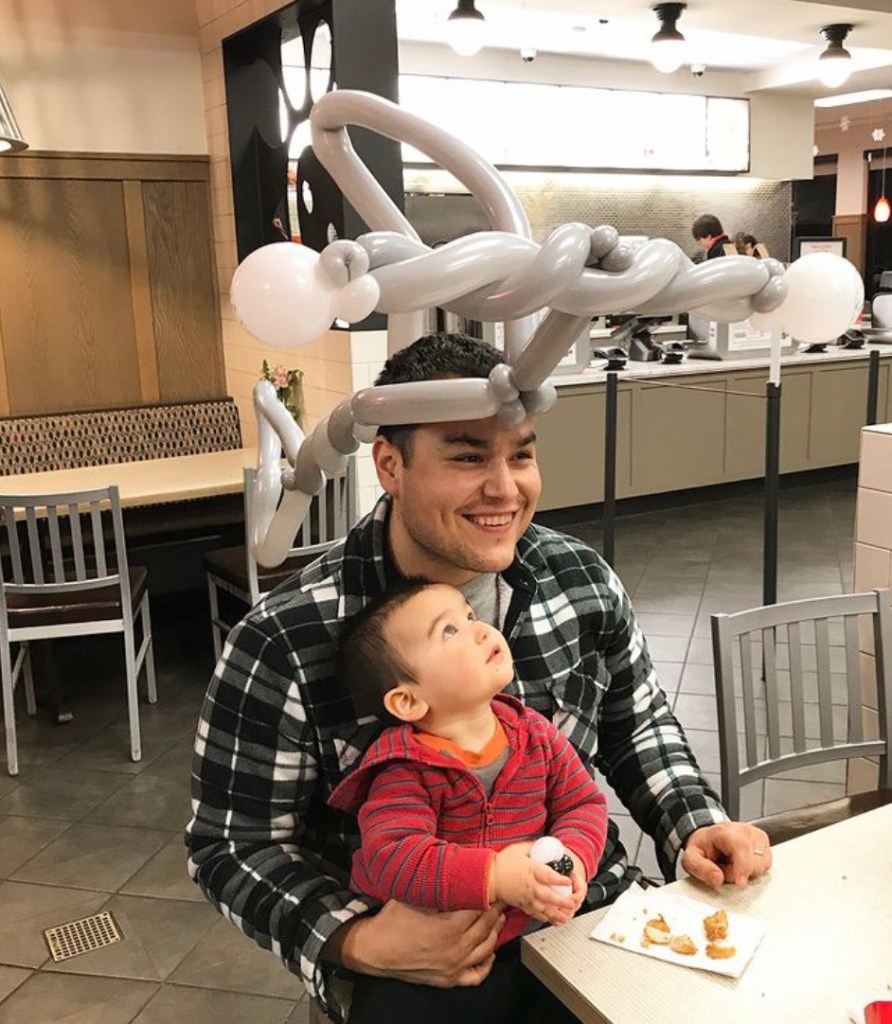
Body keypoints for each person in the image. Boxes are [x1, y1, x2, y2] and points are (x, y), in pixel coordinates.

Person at [186, 331, 773, 1024]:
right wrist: (356, 940)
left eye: (520, 454)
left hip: (588, 919)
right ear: (390, 465)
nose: (505, 488)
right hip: (423, 971)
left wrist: (695, 825)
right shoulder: (288, 638)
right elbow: (232, 844)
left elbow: (636, 728)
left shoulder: (580, 580)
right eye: (468, 457)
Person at [328, 578, 608, 1023]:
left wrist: (573, 858)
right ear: (408, 700)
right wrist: (495, 875)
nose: (480, 630)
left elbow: (583, 804)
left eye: (471, 616)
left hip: (535, 940)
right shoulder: (404, 768)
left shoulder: (535, 733)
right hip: (433, 963)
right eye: (449, 631)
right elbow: (392, 855)